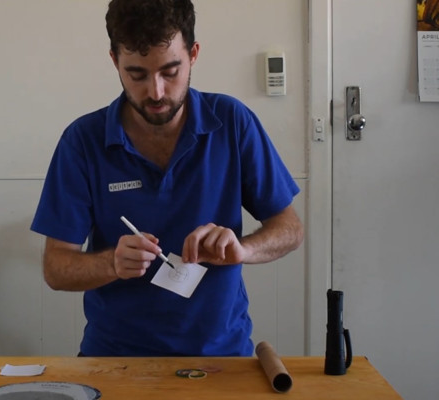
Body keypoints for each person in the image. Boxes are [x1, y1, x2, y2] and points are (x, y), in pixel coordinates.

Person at [31, 0, 304, 357]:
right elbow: (56, 268)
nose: (156, 92)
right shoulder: (82, 141)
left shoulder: (232, 121)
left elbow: (290, 228)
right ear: (114, 61)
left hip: (221, 357)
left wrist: (243, 249)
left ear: (193, 54)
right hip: (115, 358)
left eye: (170, 71)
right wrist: (111, 262)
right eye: (137, 74)